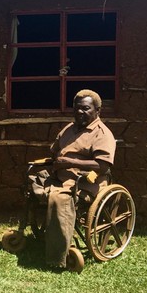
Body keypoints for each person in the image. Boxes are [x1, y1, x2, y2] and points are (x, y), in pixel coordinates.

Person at [45, 89, 116, 269]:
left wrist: (68, 161)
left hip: (86, 181)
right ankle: (52, 236)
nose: (79, 112)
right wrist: (56, 160)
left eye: (85, 109)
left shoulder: (102, 134)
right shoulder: (69, 128)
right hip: (61, 176)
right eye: (76, 108)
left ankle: (57, 257)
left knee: (59, 198)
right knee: (33, 182)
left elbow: (103, 166)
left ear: (97, 111)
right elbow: (54, 151)